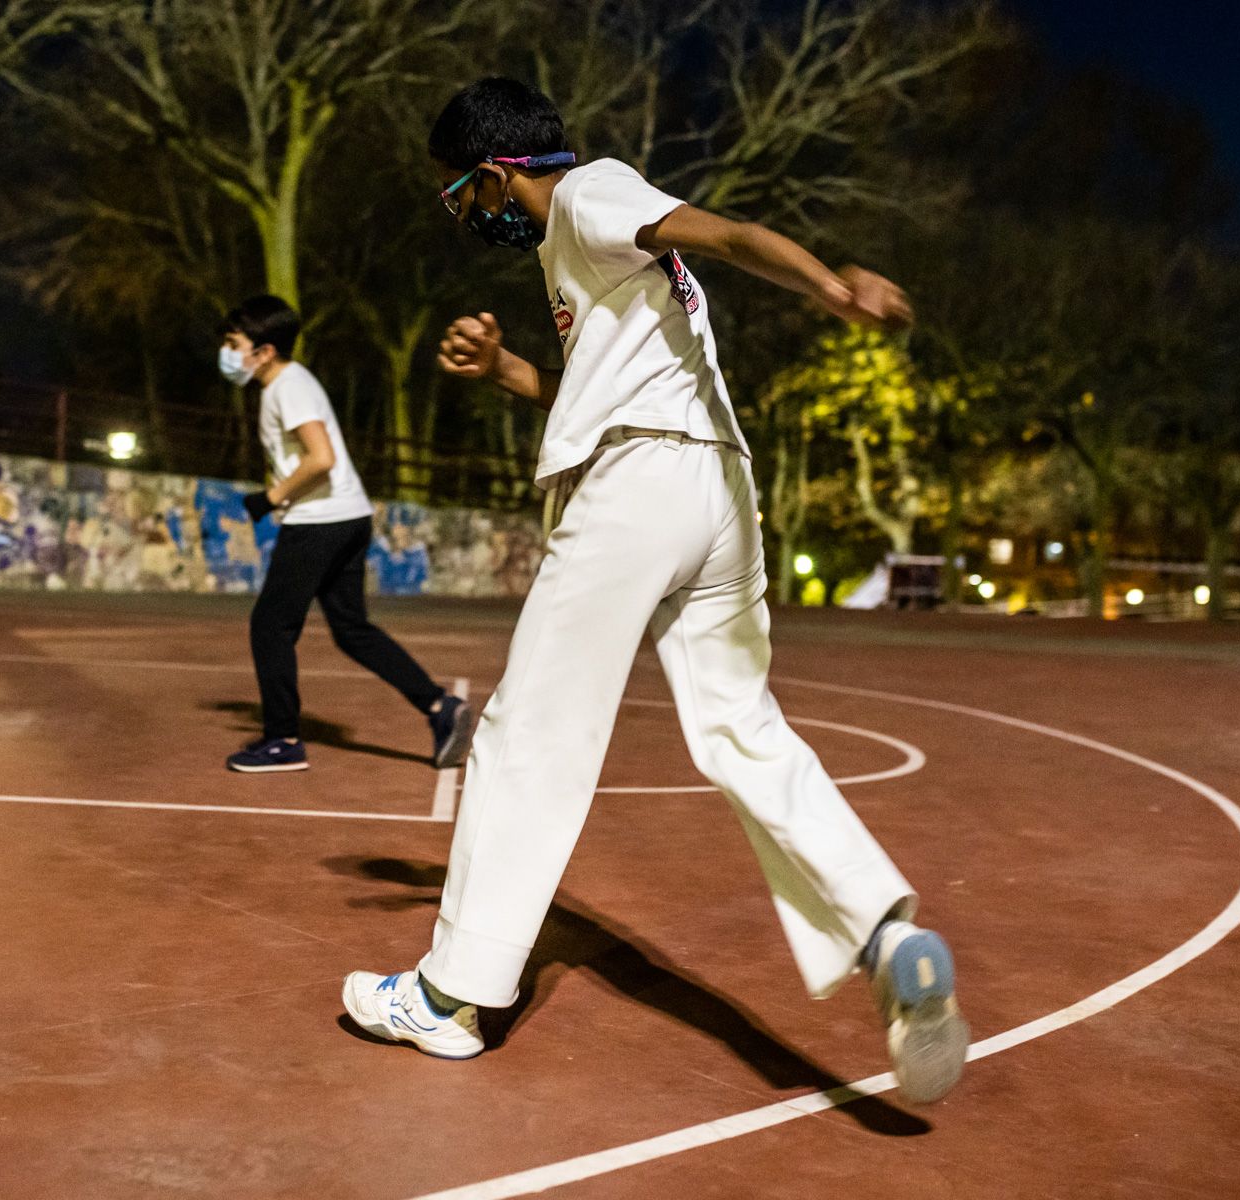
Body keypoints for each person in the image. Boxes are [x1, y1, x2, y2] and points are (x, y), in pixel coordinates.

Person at [340, 79, 969, 1104]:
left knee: (528, 734)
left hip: (641, 488)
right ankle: (885, 933)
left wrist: (827, 285)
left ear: (496, 173)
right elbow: (597, 388)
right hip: (713, 494)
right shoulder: (583, 248)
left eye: (459, 194)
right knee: (740, 732)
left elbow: (722, 230)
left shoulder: (588, 194)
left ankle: (451, 1001)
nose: (463, 213)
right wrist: (505, 370)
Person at [218, 295, 473, 774]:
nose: (229, 354)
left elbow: (321, 458)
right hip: (345, 516)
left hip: (320, 521)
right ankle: (441, 708)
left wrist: (272, 498)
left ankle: (283, 740)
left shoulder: (286, 387)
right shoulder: (290, 384)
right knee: (351, 630)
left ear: (264, 350)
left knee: (270, 626)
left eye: (235, 344)